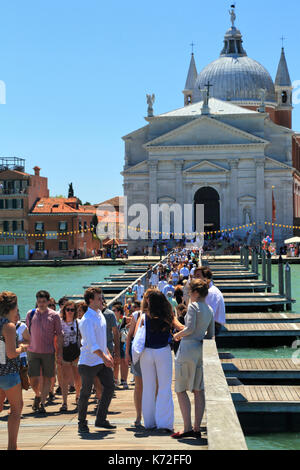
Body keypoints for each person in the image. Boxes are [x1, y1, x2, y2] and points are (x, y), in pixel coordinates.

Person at [172, 279, 215, 439]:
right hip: (199, 349)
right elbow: (210, 335)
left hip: (187, 349)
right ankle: (197, 428)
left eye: (190, 291)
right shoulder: (210, 309)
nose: (188, 294)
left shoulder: (193, 306)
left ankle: (187, 427)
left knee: (180, 389)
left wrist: (177, 335)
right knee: (198, 390)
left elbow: (188, 329)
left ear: (196, 293)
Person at [139, 289, 182, 433]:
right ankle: (164, 423)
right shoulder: (168, 315)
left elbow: (136, 334)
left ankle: (149, 422)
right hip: (163, 352)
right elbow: (180, 328)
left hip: (146, 353)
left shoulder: (144, 315)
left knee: (148, 388)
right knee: (164, 387)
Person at [77, 287, 115, 434]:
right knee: (85, 393)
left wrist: (107, 353)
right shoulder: (86, 320)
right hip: (88, 362)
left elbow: (101, 340)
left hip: (101, 359)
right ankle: (82, 423)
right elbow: (92, 345)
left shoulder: (100, 315)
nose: (102, 300)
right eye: (99, 298)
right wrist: (105, 357)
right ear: (90, 300)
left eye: (102, 297)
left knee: (110, 386)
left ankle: (100, 419)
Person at [26, 290, 63, 414]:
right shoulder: (30, 314)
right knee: (33, 378)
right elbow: (27, 333)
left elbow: (59, 334)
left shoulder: (54, 315)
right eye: (39, 301)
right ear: (36, 301)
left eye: (43, 301)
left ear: (48, 301)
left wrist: (59, 353)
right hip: (32, 351)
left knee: (48, 378)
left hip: (48, 352)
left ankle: (42, 402)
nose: (41, 304)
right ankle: (37, 394)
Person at [0, 291, 28, 450]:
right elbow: (11, 353)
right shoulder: (8, 326)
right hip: (8, 374)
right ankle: (12, 446)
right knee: (16, 409)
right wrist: (21, 348)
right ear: (12, 307)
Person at [60, 301, 81, 412]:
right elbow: (57, 338)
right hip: (64, 352)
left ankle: (77, 397)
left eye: (72, 310)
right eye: (68, 309)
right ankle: (64, 402)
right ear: (64, 310)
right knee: (65, 379)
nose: (70, 312)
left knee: (78, 378)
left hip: (76, 352)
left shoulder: (78, 322)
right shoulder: (60, 322)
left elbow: (82, 338)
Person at [194, 267, 226, 336]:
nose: (195, 279)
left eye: (198, 276)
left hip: (213, 326)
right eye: (195, 276)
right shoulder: (209, 290)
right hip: (211, 324)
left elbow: (209, 315)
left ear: (206, 278)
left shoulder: (210, 292)